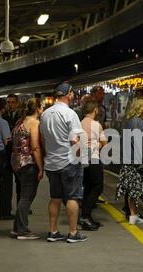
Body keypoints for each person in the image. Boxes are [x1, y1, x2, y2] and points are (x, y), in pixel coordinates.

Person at [40, 83, 88, 243]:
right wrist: (80, 157)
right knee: (73, 197)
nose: (73, 95)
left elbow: (42, 139)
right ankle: (73, 233)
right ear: (68, 94)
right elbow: (75, 140)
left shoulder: (45, 114)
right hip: (69, 161)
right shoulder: (70, 114)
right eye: (72, 93)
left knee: (55, 197)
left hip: (51, 163)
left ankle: (53, 231)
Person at [10, 98, 44, 240]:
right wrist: (41, 167)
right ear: (37, 109)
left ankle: (17, 227)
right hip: (28, 163)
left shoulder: (20, 122)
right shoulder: (35, 123)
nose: (43, 109)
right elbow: (35, 147)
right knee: (27, 197)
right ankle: (23, 231)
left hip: (16, 162)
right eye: (42, 107)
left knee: (24, 195)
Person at [80, 100, 108, 231]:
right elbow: (104, 143)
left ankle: (86, 217)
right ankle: (85, 215)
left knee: (87, 187)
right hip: (94, 159)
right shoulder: (97, 125)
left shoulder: (79, 124)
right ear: (95, 110)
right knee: (97, 186)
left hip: (82, 159)